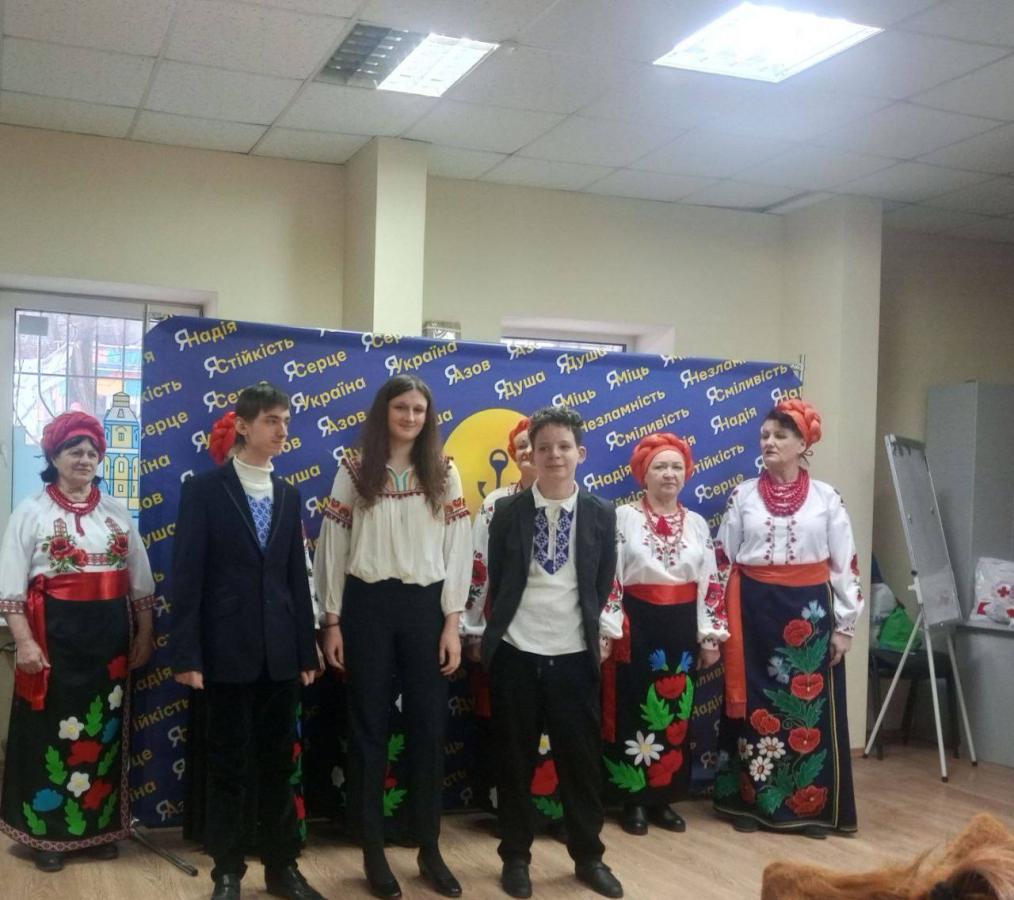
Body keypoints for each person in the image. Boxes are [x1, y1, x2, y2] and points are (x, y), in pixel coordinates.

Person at [314, 374, 471, 900]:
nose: (410, 417)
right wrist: (331, 620)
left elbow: (458, 547)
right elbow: (333, 544)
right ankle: (373, 850)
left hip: (426, 608)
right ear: (384, 412)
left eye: (419, 410)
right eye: (401, 407)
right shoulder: (354, 467)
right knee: (368, 729)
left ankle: (429, 848)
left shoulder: (443, 470)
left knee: (428, 727)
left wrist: (452, 623)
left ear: (428, 417)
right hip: (367, 607)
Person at [171, 383, 324, 900]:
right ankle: (227, 871)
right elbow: (187, 576)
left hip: (279, 654)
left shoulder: (288, 494)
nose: (282, 431)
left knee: (280, 766)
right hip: (225, 652)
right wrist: (187, 653)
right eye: (271, 421)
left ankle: (283, 868)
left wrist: (305, 648)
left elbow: (295, 579)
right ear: (242, 425)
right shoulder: (205, 490)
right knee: (228, 767)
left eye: (286, 421)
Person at [0, 411, 155, 872]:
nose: (85, 459)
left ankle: (96, 830)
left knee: (101, 732)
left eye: (92, 452)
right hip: (53, 641)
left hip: (109, 642)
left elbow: (140, 581)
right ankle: (47, 836)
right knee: (50, 733)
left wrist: (145, 633)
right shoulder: (31, 511)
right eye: (74, 451)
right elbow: (10, 588)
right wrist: (25, 643)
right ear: (54, 456)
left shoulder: (116, 512)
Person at [482, 406, 624, 900]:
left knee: (580, 764)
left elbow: (604, 583)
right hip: (517, 653)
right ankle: (515, 857)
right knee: (514, 761)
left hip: (574, 656)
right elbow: (498, 579)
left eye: (564, 447)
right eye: (543, 448)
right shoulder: (507, 513)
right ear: (530, 455)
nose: (554, 455)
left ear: (580, 453)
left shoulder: (602, 514)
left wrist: (594, 634)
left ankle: (588, 857)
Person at [712, 399, 863, 838]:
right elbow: (722, 560)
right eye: (764, 436)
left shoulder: (826, 498)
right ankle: (748, 802)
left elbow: (845, 563)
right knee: (753, 705)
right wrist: (718, 620)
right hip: (752, 610)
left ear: (802, 444)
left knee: (807, 709)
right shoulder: (743, 495)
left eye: (780, 436)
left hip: (808, 614)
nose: (769, 442)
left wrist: (845, 626)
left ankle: (809, 808)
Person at [603, 433, 729, 836]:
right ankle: (633, 799)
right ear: (644, 474)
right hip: (637, 624)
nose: (669, 474)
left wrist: (709, 637)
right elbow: (610, 575)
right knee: (635, 707)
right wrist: (609, 627)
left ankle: (664, 797)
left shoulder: (696, 523)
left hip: (680, 627)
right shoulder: (623, 517)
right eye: (660, 466)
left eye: (677, 467)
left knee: (676, 711)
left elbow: (710, 582)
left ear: (687, 474)